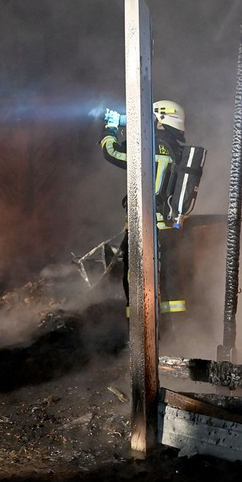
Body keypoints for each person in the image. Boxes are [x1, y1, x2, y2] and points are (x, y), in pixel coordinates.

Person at [100, 99, 191, 318]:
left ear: (161, 119)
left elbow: (114, 153)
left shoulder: (156, 144)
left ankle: (139, 327)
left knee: (134, 273)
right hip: (165, 223)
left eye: (151, 118)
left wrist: (110, 130)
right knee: (168, 275)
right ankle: (174, 327)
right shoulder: (172, 146)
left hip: (147, 223)